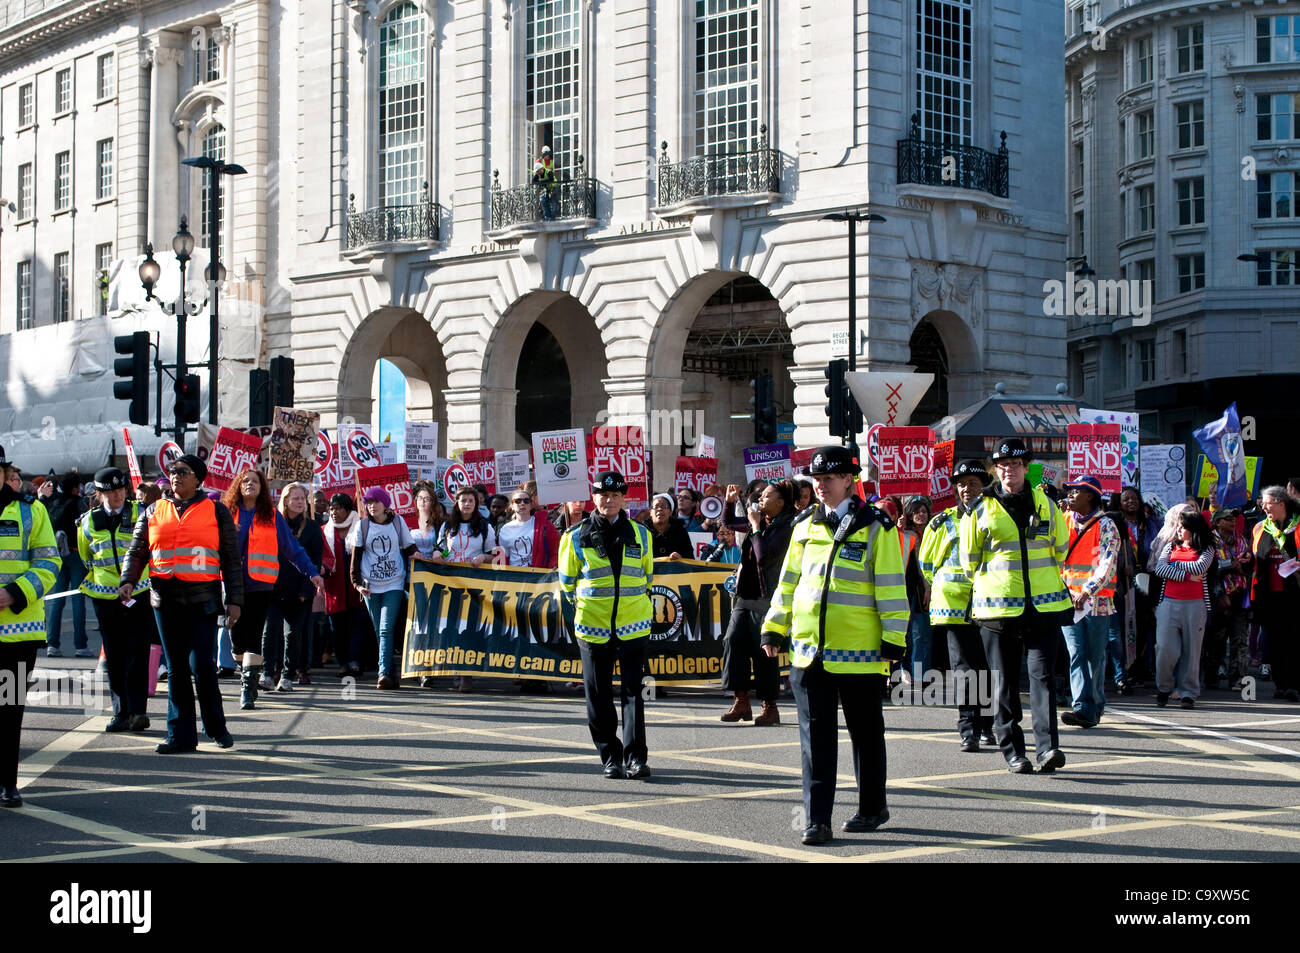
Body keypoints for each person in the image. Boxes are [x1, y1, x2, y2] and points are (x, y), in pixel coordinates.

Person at [761, 446, 907, 845]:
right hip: (810, 652)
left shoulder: (877, 525)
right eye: (816, 480)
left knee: (866, 734)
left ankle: (872, 807)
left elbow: (891, 587)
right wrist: (774, 627)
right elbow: (788, 582)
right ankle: (817, 819)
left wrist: (894, 640)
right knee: (815, 738)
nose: (820, 486)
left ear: (849, 480)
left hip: (861, 652)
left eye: (828, 479)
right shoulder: (805, 524)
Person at [960, 438, 1072, 774]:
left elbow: (1061, 547)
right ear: (997, 470)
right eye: (1003, 465)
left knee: (1043, 678)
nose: (1010, 470)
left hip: (1044, 606)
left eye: (1016, 464)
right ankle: (1013, 750)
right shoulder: (980, 508)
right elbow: (969, 561)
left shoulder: (1046, 503)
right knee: (1005, 682)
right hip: (998, 610)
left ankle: (1048, 748)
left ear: (1026, 467)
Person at [120, 454, 241, 754]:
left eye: (183, 472)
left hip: (203, 600)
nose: (176, 476)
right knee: (175, 669)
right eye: (173, 471)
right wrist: (128, 580)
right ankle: (180, 735)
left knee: (202, 666)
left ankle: (216, 728)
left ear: (198, 479)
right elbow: (137, 550)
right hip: (165, 600)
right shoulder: (152, 510)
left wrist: (235, 601)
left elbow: (230, 559)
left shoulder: (216, 511)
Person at [559, 471, 656, 779]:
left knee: (633, 694)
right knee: (598, 696)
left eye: (615, 495)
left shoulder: (642, 534)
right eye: (603, 494)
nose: (609, 500)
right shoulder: (574, 536)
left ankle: (635, 758)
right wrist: (587, 612)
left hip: (633, 627)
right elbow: (566, 584)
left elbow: (647, 578)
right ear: (594, 497)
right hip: (593, 627)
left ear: (623, 497)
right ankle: (609, 756)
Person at [222, 469, 322, 709]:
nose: (250, 485)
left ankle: (248, 687)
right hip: (232, 585)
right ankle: (244, 666)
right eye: (245, 481)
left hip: (261, 585)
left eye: (255, 481)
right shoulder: (226, 513)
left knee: (255, 636)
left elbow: (292, 549)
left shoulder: (272, 516)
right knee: (236, 637)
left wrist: (312, 573)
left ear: (262, 487)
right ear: (238, 485)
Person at [920, 460, 995, 751]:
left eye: (972, 483)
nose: (966, 489)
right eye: (961, 484)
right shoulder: (942, 522)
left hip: (991, 604)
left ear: (984, 486)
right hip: (953, 607)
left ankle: (987, 725)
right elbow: (927, 564)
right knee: (964, 670)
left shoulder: (995, 517)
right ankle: (968, 730)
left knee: (988, 668)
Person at [0, 445, 60, 806]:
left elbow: (50, 564)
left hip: (16, 634)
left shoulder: (30, 509)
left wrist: (13, 593)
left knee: (8, 709)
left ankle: (7, 782)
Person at [76, 467, 156, 733]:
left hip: (139, 593)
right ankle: (120, 713)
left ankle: (138, 712)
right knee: (115, 656)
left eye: (121, 490)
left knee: (138, 653)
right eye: (111, 492)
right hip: (104, 596)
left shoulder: (140, 513)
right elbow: (86, 557)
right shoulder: (87, 521)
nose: (118, 495)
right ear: (99, 494)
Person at [720, 480, 795, 726]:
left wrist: (754, 526)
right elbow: (729, 524)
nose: (760, 499)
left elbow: (764, 557)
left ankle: (769, 706)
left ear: (781, 502)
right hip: (746, 595)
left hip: (768, 598)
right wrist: (729, 503)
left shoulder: (787, 527)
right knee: (733, 641)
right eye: (760, 496)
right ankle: (741, 700)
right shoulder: (763, 521)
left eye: (766, 496)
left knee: (763, 652)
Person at [1058, 475, 1119, 729]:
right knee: (1076, 653)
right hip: (1069, 601)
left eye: (1075, 492)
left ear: (1090, 496)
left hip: (1096, 602)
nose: (1070, 495)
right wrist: (1066, 591)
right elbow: (1055, 557)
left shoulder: (1107, 525)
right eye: (1069, 492)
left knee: (1094, 656)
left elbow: (1107, 562)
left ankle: (1095, 705)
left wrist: (1088, 589)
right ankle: (1082, 707)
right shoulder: (1064, 521)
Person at [348, 487, 417, 690]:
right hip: (370, 586)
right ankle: (390, 668)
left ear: (386, 504)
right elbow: (356, 557)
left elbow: (409, 546)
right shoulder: (362, 526)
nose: (372, 506)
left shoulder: (398, 522)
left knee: (386, 628)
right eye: (368, 502)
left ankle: (383, 673)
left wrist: (420, 555)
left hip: (394, 582)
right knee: (380, 630)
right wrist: (357, 584)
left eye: (376, 502)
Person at [263, 482, 325, 692]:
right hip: (272, 586)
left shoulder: (313, 528)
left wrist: (306, 591)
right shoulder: (274, 523)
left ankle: (288, 675)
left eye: (302, 499)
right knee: (270, 632)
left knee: (293, 634)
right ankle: (268, 673)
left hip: (299, 589)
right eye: (295, 498)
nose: (300, 503)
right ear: (285, 501)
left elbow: (315, 560)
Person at [1151, 509, 1215, 708]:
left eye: (1183, 526)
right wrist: (1186, 575)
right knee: (1164, 648)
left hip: (1195, 606)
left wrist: (1174, 567)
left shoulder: (1207, 548)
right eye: (1178, 525)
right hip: (1168, 603)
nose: (1178, 530)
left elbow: (1200, 568)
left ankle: (1189, 692)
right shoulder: (1170, 546)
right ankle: (1163, 687)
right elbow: (1159, 569)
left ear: (1193, 529)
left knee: (1192, 651)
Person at [1251, 487, 1300, 701]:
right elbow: (1255, 559)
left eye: (1267, 502)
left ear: (1281, 503)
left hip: (1295, 594)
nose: (1263, 506)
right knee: (1275, 641)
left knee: (1294, 641)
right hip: (1269, 595)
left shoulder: (1298, 526)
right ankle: (1280, 685)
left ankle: (1294, 685)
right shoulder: (1261, 528)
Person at [44, 472, 90, 658]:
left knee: (57, 600)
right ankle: (81, 646)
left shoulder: (54, 502)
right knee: (78, 600)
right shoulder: (79, 504)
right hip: (76, 554)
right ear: (75, 487)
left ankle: (52, 644)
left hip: (58, 554)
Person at [322, 493, 367, 679]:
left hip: (357, 585)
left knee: (358, 624)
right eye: (331, 508)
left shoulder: (361, 527)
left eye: (339, 508)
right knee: (336, 627)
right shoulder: (323, 530)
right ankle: (342, 663)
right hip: (334, 586)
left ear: (349, 510)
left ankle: (354, 660)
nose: (334, 512)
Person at [1206, 508, 1251, 691]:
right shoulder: (1209, 541)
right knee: (1216, 640)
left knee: (1239, 639)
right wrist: (1228, 566)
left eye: (1233, 519)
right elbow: (1208, 568)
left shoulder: (1241, 539)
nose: (1232, 521)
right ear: (1217, 523)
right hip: (1219, 596)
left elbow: (1251, 561)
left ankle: (1238, 678)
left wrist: (1247, 562)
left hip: (1240, 595)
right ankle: (1211, 677)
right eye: (1227, 519)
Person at [901, 495, 931, 682]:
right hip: (910, 590)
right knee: (912, 634)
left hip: (925, 590)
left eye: (924, 511)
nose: (921, 515)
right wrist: (900, 529)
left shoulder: (934, 531)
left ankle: (921, 674)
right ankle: (908, 671)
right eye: (917, 511)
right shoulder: (908, 535)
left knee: (923, 634)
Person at [495, 485, 560, 569]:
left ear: (531, 504)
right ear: (512, 505)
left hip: (539, 576)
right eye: (518, 501)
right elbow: (501, 558)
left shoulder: (545, 524)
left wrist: (554, 564)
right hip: (515, 577)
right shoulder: (505, 529)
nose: (522, 503)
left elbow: (556, 548)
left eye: (526, 501)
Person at [647, 493, 692, 559]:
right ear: (650, 512)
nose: (660, 509)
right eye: (656, 507)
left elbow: (690, 558)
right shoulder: (643, 530)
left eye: (664, 507)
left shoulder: (680, 531)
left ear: (670, 512)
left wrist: (680, 557)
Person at [533, 144, 558, 219]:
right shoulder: (539, 161)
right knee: (543, 202)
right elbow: (536, 175)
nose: (548, 156)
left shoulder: (551, 161)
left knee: (553, 202)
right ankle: (544, 215)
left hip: (551, 184)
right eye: (547, 154)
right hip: (544, 185)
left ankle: (551, 216)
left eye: (548, 154)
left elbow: (552, 173)